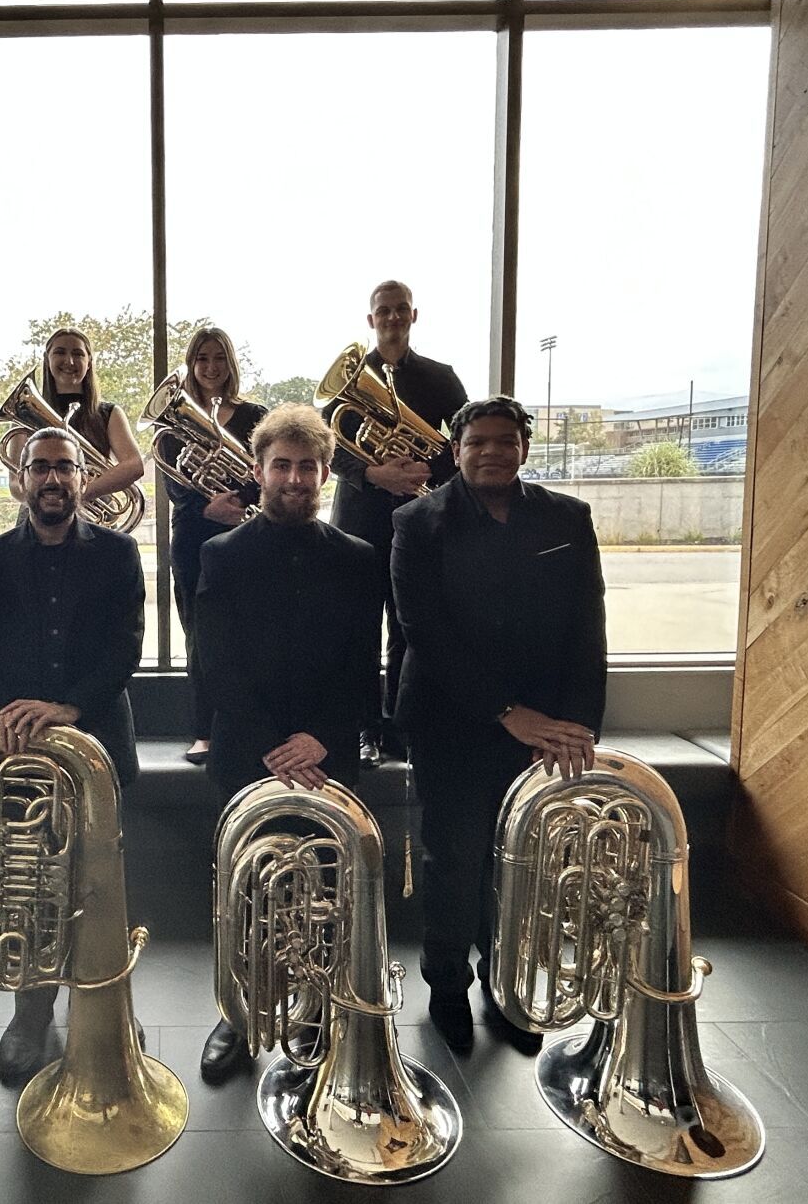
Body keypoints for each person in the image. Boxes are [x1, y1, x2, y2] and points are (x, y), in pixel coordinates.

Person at [391, 395, 607, 1054]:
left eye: (505, 441)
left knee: (523, 866)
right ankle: (448, 987)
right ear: (454, 451)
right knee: (453, 860)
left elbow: (587, 627)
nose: (491, 451)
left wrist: (577, 724)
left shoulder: (569, 517)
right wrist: (508, 712)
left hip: (545, 729)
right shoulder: (417, 522)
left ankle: (508, 987)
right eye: (477, 441)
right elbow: (423, 633)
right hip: (450, 721)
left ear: (524, 448)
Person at [0, 426, 145, 1087]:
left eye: (65, 467)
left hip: (98, 743)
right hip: (17, 749)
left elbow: (124, 647)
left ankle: (109, 1001)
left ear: (82, 477)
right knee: (26, 882)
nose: (54, 478)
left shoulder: (118, 554)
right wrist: (5, 712)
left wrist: (68, 709)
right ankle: (32, 1011)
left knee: (102, 880)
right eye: (41, 468)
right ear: (21, 480)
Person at [191, 403, 381, 1082]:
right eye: (282, 465)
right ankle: (238, 1012)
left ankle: (314, 1009)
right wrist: (276, 743)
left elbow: (365, 661)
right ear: (258, 470)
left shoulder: (359, 559)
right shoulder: (222, 554)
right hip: (251, 753)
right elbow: (216, 663)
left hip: (326, 756)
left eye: (307, 466)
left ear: (325, 473)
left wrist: (321, 740)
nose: (295, 477)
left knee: (324, 888)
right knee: (242, 889)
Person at [326, 280, 468, 767]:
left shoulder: (440, 376)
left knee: (410, 627)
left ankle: (404, 728)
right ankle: (365, 730)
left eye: (400, 310)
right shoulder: (349, 375)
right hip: (360, 521)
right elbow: (330, 446)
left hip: (419, 521)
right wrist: (373, 471)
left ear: (414, 315)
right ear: (371, 320)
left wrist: (430, 471)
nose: (391, 318)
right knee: (359, 629)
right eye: (382, 311)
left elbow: (463, 442)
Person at [154, 327, 268, 765]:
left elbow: (265, 467)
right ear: (191, 364)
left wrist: (238, 502)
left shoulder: (254, 413)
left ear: (230, 363)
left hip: (244, 533)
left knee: (247, 634)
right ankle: (203, 731)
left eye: (219, 357)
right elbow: (172, 473)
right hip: (193, 538)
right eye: (202, 358)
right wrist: (205, 508)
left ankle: (249, 724)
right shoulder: (173, 420)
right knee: (200, 638)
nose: (211, 367)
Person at [8, 326, 145, 515]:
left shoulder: (109, 413)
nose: (69, 361)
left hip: (93, 514)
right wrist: (48, 500)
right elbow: (15, 484)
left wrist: (78, 494)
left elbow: (134, 465)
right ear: (47, 360)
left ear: (89, 362)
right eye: (60, 352)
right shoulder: (25, 413)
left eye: (78, 354)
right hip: (38, 515)